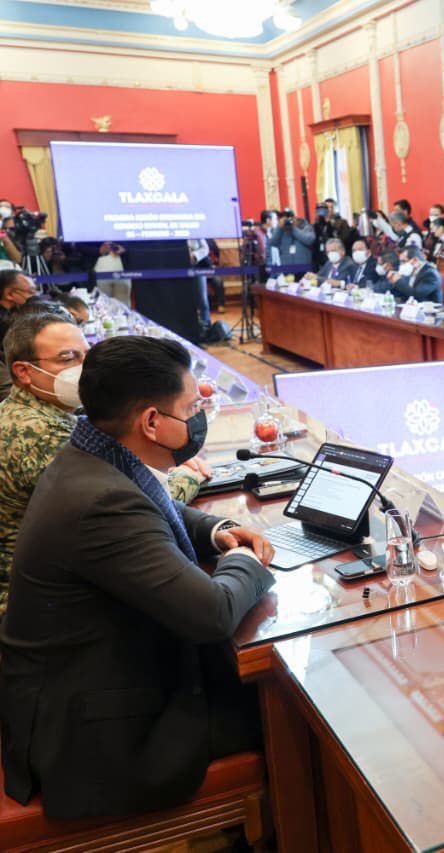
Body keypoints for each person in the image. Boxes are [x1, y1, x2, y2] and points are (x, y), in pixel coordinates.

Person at [0, 336, 275, 819]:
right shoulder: (100, 501)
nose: (196, 419)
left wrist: (217, 532)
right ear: (151, 422)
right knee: (287, 711)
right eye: (189, 409)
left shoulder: (92, 454)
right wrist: (247, 560)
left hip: (90, 685)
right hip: (100, 739)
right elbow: (212, 614)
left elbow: (153, 505)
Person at [0, 311, 209, 611]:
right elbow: (129, 504)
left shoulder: (39, 412)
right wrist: (189, 477)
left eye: (87, 355)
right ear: (23, 372)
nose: (84, 368)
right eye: (68, 358)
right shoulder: (37, 433)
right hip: (34, 606)